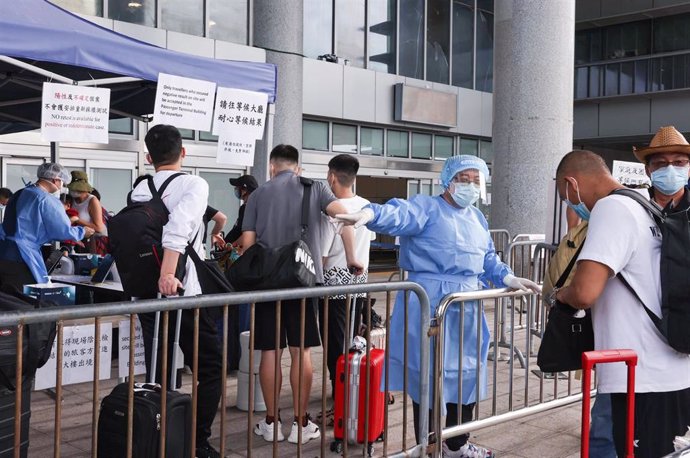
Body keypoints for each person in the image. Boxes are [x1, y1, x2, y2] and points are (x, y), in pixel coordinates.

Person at [336, 155, 539, 457]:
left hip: (466, 306)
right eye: (463, 179)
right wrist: (371, 214)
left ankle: (457, 443)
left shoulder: (477, 218)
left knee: (467, 373)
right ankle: (429, 443)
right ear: (448, 180)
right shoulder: (427, 208)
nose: (470, 185)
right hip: (428, 304)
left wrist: (507, 276)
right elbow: (399, 214)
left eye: (475, 180)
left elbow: (486, 259)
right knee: (427, 375)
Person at [552, 149, 690, 457]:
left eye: (565, 194)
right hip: (673, 368)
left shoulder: (612, 208)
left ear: (570, 183)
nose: (571, 202)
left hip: (638, 377)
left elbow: (585, 291)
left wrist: (561, 295)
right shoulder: (647, 207)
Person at [240, 144, 362, 445]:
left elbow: (247, 243)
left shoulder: (256, 195)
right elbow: (341, 213)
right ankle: (301, 423)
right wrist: (351, 256)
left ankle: (270, 422)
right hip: (304, 282)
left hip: (268, 284)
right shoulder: (315, 188)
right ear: (297, 167)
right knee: (301, 352)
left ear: (272, 167)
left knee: (269, 352)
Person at [129, 124, 222, 458]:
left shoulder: (139, 187)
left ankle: (157, 435)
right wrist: (168, 274)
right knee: (211, 367)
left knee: (161, 366)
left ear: (149, 156)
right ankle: (194, 440)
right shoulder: (193, 184)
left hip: (146, 295)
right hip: (182, 292)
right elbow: (178, 229)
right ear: (183, 152)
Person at [318, 154, 375, 403]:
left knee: (333, 339)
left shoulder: (331, 210)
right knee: (352, 336)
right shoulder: (367, 207)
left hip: (333, 284)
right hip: (359, 284)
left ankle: (339, 384)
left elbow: (323, 253)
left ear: (332, 176)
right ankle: (351, 381)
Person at [0, 163, 92, 289]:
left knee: (7, 296)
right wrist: (82, 232)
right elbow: (62, 231)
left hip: (4, 250)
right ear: (55, 180)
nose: (61, 187)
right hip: (23, 256)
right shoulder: (46, 200)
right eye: (62, 183)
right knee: (23, 298)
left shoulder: (20, 193)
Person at [67, 171, 106, 254]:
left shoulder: (92, 201)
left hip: (91, 242)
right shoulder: (70, 199)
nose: (73, 191)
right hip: (74, 240)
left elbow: (99, 228)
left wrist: (77, 220)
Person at [224, 174, 258, 246]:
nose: (236, 190)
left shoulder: (248, 208)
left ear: (244, 190)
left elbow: (248, 232)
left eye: (237, 188)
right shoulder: (253, 206)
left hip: (240, 251)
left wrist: (233, 245)